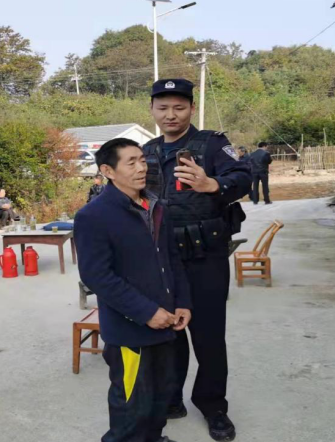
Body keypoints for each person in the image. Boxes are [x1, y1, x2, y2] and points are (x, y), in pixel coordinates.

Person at [143, 79, 251, 441]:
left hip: (205, 256)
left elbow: (243, 176)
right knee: (169, 332)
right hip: (161, 258)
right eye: (163, 108)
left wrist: (212, 185)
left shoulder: (212, 144)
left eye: (179, 107)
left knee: (208, 336)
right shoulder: (145, 151)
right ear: (152, 110)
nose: (170, 115)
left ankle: (213, 405)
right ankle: (172, 398)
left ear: (191, 108)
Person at [74, 138, 192, 442]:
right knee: (131, 408)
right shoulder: (94, 216)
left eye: (142, 160)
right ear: (108, 171)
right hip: (131, 332)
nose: (142, 168)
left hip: (167, 323)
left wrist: (182, 302)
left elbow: (171, 259)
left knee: (160, 399)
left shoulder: (156, 206)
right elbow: (97, 276)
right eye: (131, 162)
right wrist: (147, 312)